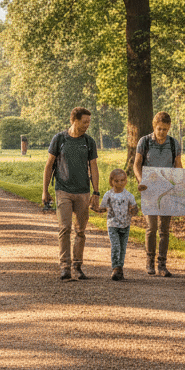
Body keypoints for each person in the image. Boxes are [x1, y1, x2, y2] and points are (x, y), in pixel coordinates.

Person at [43, 107, 100, 280]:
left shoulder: (89, 142)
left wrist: (96, 192)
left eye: (89, 122)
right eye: (84, 122)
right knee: (65, 228)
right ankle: (65, 266)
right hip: (63, 190)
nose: (87, 125)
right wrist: (45, 191)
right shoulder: (59, 139)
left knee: (81, 231)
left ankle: (77, 266)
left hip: (83, 191)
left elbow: (94, 167)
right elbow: (49, 165)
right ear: (73, 120)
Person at [132, 111, 181, 277]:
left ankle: (162, 264)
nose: (162, 132)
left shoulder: (174, 143)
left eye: (165, 129)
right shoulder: (144, 142)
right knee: (151, 227)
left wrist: (181, 183)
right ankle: (149, 261)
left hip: (167, 191)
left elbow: (178, 166)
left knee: (164, 229)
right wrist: (141, 181)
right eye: (159, 129)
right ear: (154, 127)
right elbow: (136, 165)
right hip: (150, 190)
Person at [92, 168, 139, 281]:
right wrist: (95, 208)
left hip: (125, 225)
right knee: (115, 246)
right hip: (113, 225)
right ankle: (115, 268)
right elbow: (103, 208)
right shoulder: (108, 195)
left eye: (122, 180)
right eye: (116, 181)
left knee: (123, 247)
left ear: (126, 181)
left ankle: (120, 268)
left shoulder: (129, 196)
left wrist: (133, 210)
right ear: (111, 181)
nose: (120, 183)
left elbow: (135, 210)